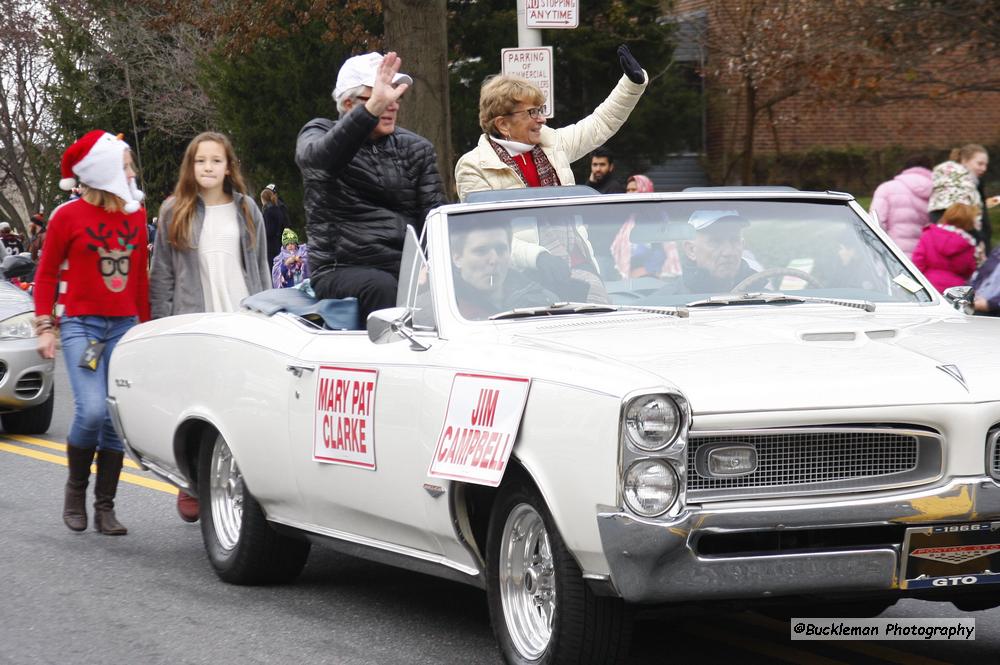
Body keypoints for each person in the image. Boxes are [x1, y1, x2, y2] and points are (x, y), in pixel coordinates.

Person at [149, 131, 270, 523]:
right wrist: (161, 328)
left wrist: (270, 316)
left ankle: (242, 486)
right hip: (195, 323)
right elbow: (162, 275)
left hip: (242, 321)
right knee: (196, 407)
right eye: (201, 161)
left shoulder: (248, 209)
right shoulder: (174, 211)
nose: (208, 168)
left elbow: (262, 267)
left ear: (228, 166)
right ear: (191, 166)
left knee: (236, 407)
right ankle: (190, 484)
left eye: (216, 161)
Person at [34, 130, 149, 536]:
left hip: (124, 326)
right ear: (103, 172)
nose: (132, 172)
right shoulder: (66, 217)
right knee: (93, 409)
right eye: (125, 166)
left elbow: (138, 282)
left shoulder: (136, 216)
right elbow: (46, 274)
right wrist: (46, 326)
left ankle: (105, 508)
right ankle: (74, 491)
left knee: (115, 419)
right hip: (81, 324)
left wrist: (146, 335)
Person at [296, 51, 445, 323]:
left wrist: (431, 263)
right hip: (340, 268)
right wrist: (369, 112)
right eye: (379, 96)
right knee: (382, 286)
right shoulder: (317, 133)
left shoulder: (417, 148)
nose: (392, 104)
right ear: (349, 103)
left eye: (395, 97)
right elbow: (319, 161)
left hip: (406, 266)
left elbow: (433, 218)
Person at [454, 45, 647, 200]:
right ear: (503, 124)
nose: (542, 119)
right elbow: (490, 232)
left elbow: (600, 124)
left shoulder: (552, 144)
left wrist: (631, 85)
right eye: (532, 112)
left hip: (573, 250)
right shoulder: (473, 167)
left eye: (540, 110)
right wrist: (537, 251)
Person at [451, 218, 555, 320]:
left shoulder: (543, 299)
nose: (493, 260)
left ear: (510, 252)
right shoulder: (447, 310)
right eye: (481, 251)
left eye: (501, 250)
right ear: (457, 258)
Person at [927, 145, 998, 255]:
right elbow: (962, 220)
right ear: (964, 161)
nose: (984, 168)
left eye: (985, 165)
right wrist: (980, 240)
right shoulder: (957, 186)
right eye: (979, 164)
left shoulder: (968, 184)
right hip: (960, 250)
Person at [869, 155, 933, 258]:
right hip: (925, 258)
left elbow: (876, 223)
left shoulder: (887, 188)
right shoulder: (938, 192)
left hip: (895, 257)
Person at [912, 202, 979, 294]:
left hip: (927, 284)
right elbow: (968, 269)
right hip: (955, 289)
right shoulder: (968, 243)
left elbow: (918, 260)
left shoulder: (929, 233)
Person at [260, 184, 289, 267]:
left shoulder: (268, 212)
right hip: (278, 242)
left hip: (271, 245)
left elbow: (269, 230)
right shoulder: (278, 209)